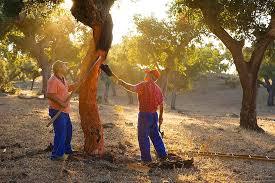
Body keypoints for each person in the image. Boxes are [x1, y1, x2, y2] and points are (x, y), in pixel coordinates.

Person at [114, 69, 167, 162]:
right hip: (154, 115)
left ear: (150, 76)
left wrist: (122, 83)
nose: (145, 75)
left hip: (144, 115)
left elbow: (132, 88)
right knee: (156, 136)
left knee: (143, 137)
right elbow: (161, 104)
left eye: (147, 74)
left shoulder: (144, 85)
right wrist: (160, 116)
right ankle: (163, 155)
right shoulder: (158, 89)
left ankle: (146, 159)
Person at [46, 61, 77, 160]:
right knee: (61, 132)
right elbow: (50, 94)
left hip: (65, 110)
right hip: (56, 110)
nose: (66, 67)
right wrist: (61, 103)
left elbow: (66, 89)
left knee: (68, 130)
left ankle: (67, 150)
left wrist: (75, 85)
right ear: (59, 68)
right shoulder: (53, 80)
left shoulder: (63, 78)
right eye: (64, 65)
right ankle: (57, 155)